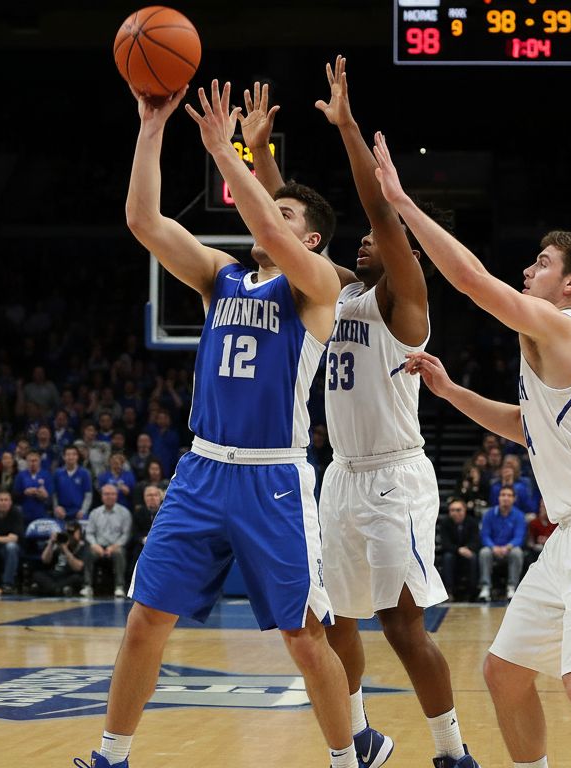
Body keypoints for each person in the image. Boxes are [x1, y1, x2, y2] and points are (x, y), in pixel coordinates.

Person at [379, 129, 571, 767]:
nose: (527, 270)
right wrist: (449, 389)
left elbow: (468, 279)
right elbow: (527, 427)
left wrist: (403, 204)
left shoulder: (562, 325)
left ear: (570, 284)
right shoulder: (556, 348)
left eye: (541, 264)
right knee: (505, 670)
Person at [77, 82, 353, 768]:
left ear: (310, 238)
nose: (267, 216)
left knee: (302, 635)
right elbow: (144, 220)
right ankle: (112, 756)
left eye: (284, 211)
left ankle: (350, 758)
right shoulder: (221, 277)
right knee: (146, 618)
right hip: (201, 471)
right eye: (271, 206)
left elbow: (267, 227)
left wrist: (230, 154)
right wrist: (152, 126)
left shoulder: (318, 285)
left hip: (274, 479)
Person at [227, 58, 478, 768]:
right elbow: (287, 231)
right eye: (358, 244)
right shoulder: (334, 295)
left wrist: (344, 128)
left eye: (374, 240)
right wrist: (259, 152)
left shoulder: (404, 302)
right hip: (339, 477)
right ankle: (362, 737)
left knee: (403, 626)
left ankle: (451, 750)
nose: (363, 243)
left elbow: (378, 216)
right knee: (337, 619)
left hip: (397, 477)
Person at [82, 484, 132, 598]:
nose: (109, 496)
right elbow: (89, 533)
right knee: (89, 551)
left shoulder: (124, 513)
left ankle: (119, 586)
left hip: (116, 546)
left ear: (116, 496)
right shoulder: (95, 513)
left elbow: (126, 534)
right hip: (98, 546)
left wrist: (114, 546)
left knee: (119, 552)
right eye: (106, 494)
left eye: (112, 494)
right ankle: (87, 586)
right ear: (102, 496)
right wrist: (95, 545)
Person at [478, 486, 527, 601]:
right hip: (493, 549)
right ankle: (485, 587)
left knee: (517, 552)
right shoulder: (489, 514)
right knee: (484, 552)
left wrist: (508, 547)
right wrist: (493, 547)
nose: (506, 498)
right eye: (503, 495)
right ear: (498, 497)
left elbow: (519, 537)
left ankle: (512, 587)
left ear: (514, 499)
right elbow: (485, 535)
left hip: (509, 549)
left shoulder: (519, 515)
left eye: (509, 495)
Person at [437, 498, 481, 601]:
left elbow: (476, 541)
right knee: (447, 557)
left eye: (458, 510)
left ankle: (472, 592)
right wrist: (458, 550)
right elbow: (445, 543)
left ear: (464, 510)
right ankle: (449, 591)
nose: (455, 513)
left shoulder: (472, 522)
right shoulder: (445, 523)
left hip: (468, 551)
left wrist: (468, 549)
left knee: (473, 558)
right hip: (453, 552)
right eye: (452, 510)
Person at [33, 521, 87, 597]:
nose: (69, 536)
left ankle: (50, 589)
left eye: (72, 533)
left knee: (77, 578)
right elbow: (45, 560)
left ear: (79, 534)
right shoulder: (59, 542)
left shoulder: (81, 546)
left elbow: (78, 567)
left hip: (68, 576)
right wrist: (51, 543)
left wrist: (65, 549)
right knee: (37, 574)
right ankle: (59, 589)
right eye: (67, 532)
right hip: (53, 575)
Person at [53, 445, 93, 521]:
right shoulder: (57, 473)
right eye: (68, 455)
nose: (71, 457)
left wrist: (83, 511)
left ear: (77, 456)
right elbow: (54, 494)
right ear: (63, 457)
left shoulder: (85, 473)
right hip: (62, 513)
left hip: (79, 513)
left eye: (74, 454)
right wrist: (56, 508)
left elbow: (88, 495)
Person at [16, 449, 54, 524]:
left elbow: (51, 496)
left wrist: (44, 495)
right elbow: (16, 495)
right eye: (30, 461)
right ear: (26, 461)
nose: (33, 463)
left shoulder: (47, 475)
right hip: (25, 514)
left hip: (42, 514)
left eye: (35, 460)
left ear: (39, 461)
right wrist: (25, 492)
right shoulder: (21, 475)